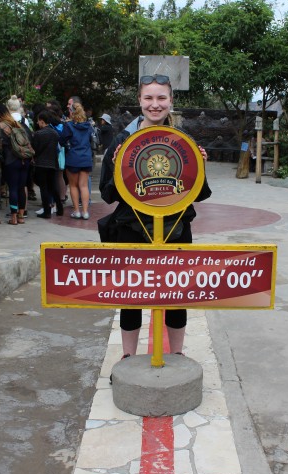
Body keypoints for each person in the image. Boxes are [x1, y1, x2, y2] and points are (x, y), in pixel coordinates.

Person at [99, 74, 211, 358]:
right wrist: (117, 169)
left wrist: (198, 167)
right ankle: (127, 357)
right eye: (148, 98)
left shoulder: (183, 140)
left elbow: (199, 193)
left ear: (171, 101)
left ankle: (177, 356)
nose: (155, 104)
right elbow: (108, 194)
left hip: (175, 228)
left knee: (176, 296)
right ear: (139, 101)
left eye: (161, 98)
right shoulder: (121, 140)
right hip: (132, 229)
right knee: (131, 296)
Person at [0, 103, 31, 225]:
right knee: (21, 187)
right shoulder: (19, 123)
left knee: (13, 188)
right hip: (24, 159)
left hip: (11, 160)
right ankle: (21, 216)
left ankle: (13, 217)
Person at [59, 102, 94, 219]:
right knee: (83, 186)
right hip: (86, 157)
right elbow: (91, 140)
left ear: (72, 113)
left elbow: (62, 140)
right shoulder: (88, 125)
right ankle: (85, 212)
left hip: (73, 157)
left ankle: (76, 211)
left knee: (73, 186)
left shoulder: (68, 126)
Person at [30, 108, 64, 219]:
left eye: (38, 121)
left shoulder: (38, 134)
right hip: (53, 164)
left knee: (44, 188)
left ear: (41, 121)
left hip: (41, 164)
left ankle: (47, 211)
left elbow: (35, 150)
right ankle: (60, 208)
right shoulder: (55, 133)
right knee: (53, 187)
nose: (37, 123)